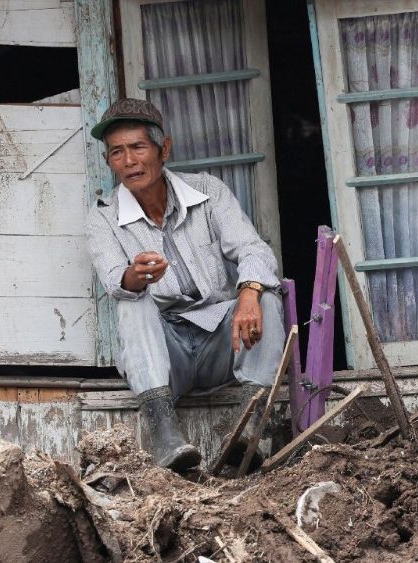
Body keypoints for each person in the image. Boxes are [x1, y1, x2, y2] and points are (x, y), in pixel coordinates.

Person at [85, 98, 285, 473]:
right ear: (109, 161)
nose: (128, 161)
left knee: (267, 297)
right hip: (166, 355)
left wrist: (248, 292)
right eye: (116, 152)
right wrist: (136, 276)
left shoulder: (208, 191)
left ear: (164, 149)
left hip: (221, 344)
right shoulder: (103, 217)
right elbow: (114, 279)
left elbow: (253, 249)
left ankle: (249, 430)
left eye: (138, 147)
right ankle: (166, 438)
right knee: (132, 301)